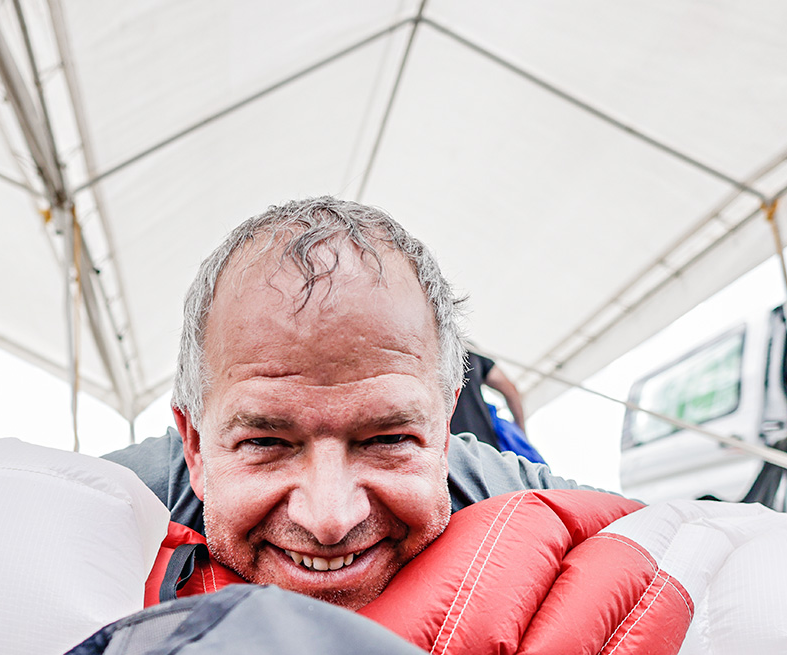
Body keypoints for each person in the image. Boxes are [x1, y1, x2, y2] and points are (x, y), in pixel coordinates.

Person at [106, 196, 595, 610]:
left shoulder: (509, 498)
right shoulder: (109, 509)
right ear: (194, 445)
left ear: (444, 434)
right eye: (265, 442)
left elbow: (641, 527)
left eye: (389, 438)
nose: (330, 521)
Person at [449, 350, 528, 450]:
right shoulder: (469, 349)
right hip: (484, 446)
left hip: (446, 447)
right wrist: (521, 433)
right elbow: (511, 391)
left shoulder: (431, 349)